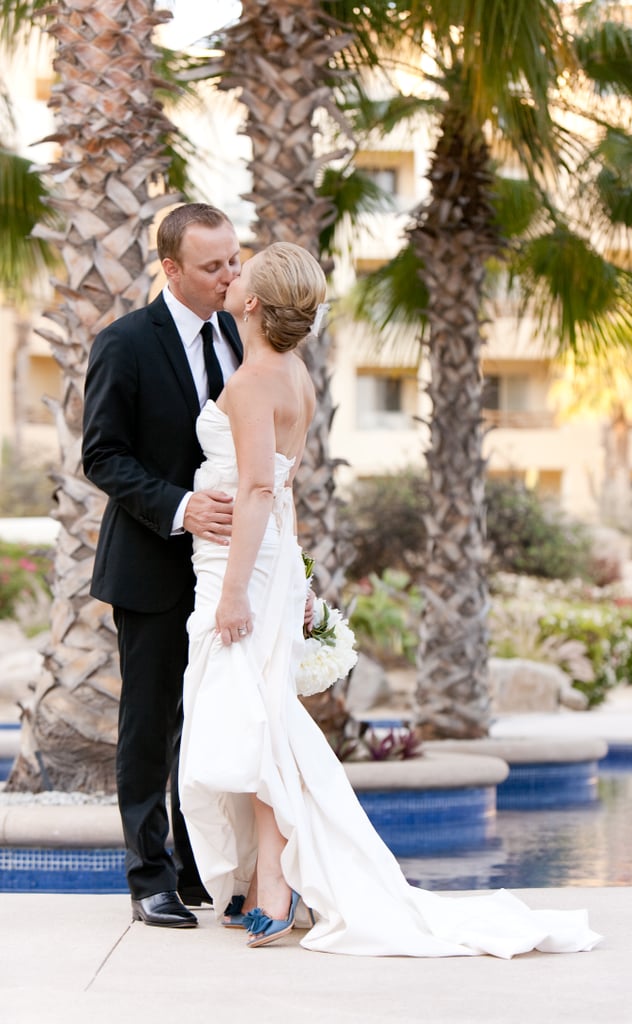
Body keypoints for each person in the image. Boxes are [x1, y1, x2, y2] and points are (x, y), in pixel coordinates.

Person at [178, 241, 603, 956]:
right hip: (264, 561)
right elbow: (282, 491)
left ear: (250, 302)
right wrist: (297, 582)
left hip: (241, 567)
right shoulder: (296, 376)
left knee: (254, 725)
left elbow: (256, 489)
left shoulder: (252, 385)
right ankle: (269, 885)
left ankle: (276, 893)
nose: (233, 270)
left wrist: (232, 594)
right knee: (260, 721)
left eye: (240, 270)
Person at [82, 203, 243, 928]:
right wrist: (181, 506)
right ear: (170, 269)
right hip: (151, 565)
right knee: (150, 725)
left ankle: (196, 868)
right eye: (213, 267)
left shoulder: (241, 332)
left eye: (233, 261)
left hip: (226, 572)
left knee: (212, 718)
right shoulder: (123, 343)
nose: (229, 276)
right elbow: (102, 455)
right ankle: (150, 878)